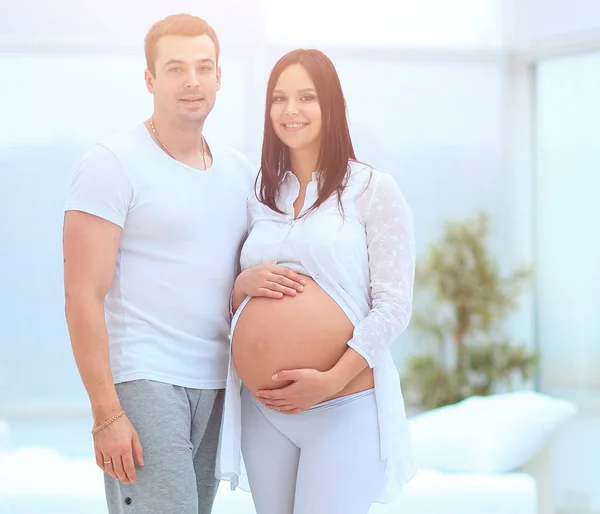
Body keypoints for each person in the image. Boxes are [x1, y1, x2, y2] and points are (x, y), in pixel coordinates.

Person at [62, 14, 303, 514]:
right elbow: (82, 294)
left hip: (218, 383)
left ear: (219, 77)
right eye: (175, 68)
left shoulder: (241, 173)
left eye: (203, 67)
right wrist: (106, 414)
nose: (191, 81)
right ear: (150, 80)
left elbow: (223, 277)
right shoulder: (111, 163)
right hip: (146, 378)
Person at [216, 49, 417, 514]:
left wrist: (329, 381)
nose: (291, 110)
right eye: (279, 98)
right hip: (264, 411)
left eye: (306, 97)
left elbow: (393, 307)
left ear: (331, 106)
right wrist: (244, 283)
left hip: (341, 407)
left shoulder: (373, 190)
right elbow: (227, 299)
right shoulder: (259, 195)